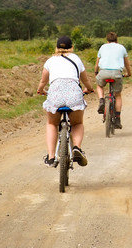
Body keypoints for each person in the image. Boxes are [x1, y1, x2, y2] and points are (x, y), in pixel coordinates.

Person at [36, 35, 95, 167]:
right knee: (77, 123)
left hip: (55, 95)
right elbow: (85, 80)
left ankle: (51, 157)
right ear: (72, 48)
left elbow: (43, 81)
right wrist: (89, 89)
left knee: (52, 123)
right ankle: (77, 148)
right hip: (74, 95)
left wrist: (40, 90)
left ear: (56, 48)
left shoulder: (50, 61)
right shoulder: (76, 59)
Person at [95, 31, 132, 129]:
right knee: (118, 95)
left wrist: (96, 71)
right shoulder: (121, 47)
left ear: (107, 40)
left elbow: (97, 61)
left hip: (103, 72)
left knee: (99, 85)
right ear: (116, 39)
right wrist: (129, 73)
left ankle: (101, 100)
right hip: (117, 73)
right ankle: (118, 119)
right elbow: (127, 63)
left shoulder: (102, 47)